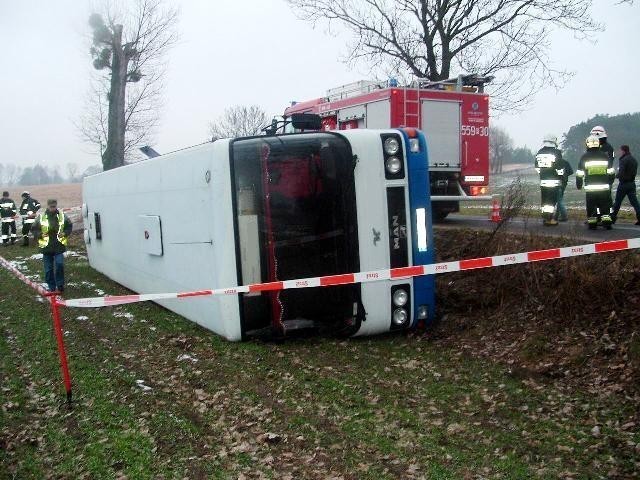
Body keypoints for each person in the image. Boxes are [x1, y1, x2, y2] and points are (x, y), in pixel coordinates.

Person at [31, 199, 72, 293]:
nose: (53, 208)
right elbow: (33, 229)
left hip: (59, 246)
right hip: (46, 247)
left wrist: (65, 233)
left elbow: (69, 226)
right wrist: (40, 234)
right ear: (48, 206)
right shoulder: (41, 217)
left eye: (54, 206)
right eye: (51, 206)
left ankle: (60, 284)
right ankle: (51, 287)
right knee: (48, 269)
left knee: (59, 265)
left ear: (56, 205)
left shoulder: (62, 216)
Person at [576, 135, 616, 229]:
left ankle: (592, 224)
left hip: (591, 188)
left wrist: (579, 184)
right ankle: (607, 223)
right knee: (605, 206)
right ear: (598, 144)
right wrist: (609, 182)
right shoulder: (605, 156)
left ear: (587, 144)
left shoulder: (584, 157)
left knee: (591, 206)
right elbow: (611, 172)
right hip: (604, 188)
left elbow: (579, 173)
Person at [534, 134, 564, 225]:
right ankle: (550, 220)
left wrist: (542, 174)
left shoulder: (539, 152)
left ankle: (546, 218)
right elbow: (559, 167)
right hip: (553, 181)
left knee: (545, 200)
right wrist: (561, 176)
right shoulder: (557, 152)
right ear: (554, 142)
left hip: (543, 181)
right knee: (551, 201)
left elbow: (537, 166)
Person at [611, 145, 640, 226]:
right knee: (635, 203)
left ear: (623, 151)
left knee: (617, 202)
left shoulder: (623, 160)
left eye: (620, 151)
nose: (620, 152)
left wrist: (615, 176)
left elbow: (622, 172)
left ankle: (612, 218)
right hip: (632, 183)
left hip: (623, 184)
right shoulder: (634, 160)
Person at [557, 155, 574, 222]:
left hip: (557, 183)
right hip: (564, 183)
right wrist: (565, 175)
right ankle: (556, 216)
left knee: (559, 200)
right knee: (559, 199)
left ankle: (564, 216)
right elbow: (571, 172)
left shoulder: (554, 163)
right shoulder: (565, 162)